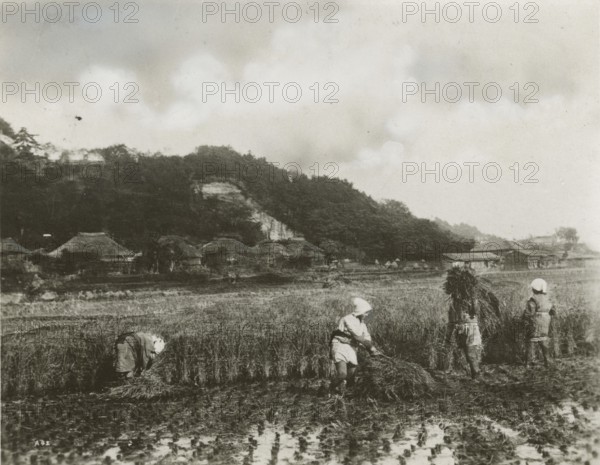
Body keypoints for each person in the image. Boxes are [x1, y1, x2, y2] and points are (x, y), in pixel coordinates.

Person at [329, 297, 382, 395]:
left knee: (352, 375)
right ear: (360, 311)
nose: (367, 315)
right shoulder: (348, 319)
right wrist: (372, 349)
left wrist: (373, 349)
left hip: (352, 347)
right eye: (366, 312)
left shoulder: (362, 324)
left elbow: (366, 338)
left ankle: (347, 394)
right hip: (340, 345)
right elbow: (358, 337)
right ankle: (329, 389)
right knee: (342, 374)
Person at [444, 266, 483, 379]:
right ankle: (475, 373)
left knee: (467, 351)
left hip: (461, 325)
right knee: (469, 350)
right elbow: (476, 311)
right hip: (467, 325)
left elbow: (452, 315)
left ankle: (475, 373)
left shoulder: (456, 298)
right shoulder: (470, 297)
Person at [523, 278, 556, 368]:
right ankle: (547, 362)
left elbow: (529, 313)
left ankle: (528, 363)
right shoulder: (548, 299)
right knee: (544, 341)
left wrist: (525, 318)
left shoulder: (533, 300)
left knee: (531, 341)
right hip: (546, 322)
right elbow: (553, 311)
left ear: (534, 289)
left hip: (535, 321)